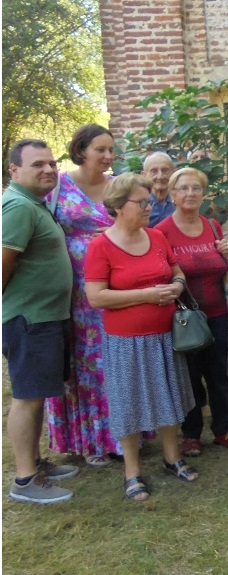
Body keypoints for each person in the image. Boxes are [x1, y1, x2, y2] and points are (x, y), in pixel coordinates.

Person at [85, 173, 199, 501]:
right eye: (143, 201)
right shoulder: (101, 246)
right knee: (128, 404)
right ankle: (132, 472)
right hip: (126, 341)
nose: (151, 206)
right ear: (120, 207)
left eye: (150, 201)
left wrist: (177, 286)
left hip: (165, 336)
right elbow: (96, 297)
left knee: (169, 397)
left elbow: (177, 271)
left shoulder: (156, 237)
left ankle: (172, 457)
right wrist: (147, 295)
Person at [3, 138, 79, 504]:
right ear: (14, 170)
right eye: (38, 165)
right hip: (29, 319)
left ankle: (35, 462)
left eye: (51, 163)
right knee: (26, 398)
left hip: (47, 316)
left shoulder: (36, 204)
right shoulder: (17, 206)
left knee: (36, 396)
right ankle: (24, 480)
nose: (49, 169)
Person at [156, 167, 228, 456]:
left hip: (217, 313)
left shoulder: (212, 227)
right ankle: (191, 433)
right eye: (183, 188)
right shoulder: (162, 232)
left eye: (196, 188)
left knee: (218, 374)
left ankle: (223, 429)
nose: (191, 193)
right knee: (190, 375)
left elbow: (223, 267)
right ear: (172, 194)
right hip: (183, 316)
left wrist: (226, 253)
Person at [45, 124, 118, 467]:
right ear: (81, 150)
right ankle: (89, 440)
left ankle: (120, 435)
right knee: (82, 365)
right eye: (100, 149)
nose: (107, 157)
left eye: (111, 151)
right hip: (73, 292)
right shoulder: (58, 186)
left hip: (114, 287)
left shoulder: (118, 187)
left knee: (114, 361)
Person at [143, 152, 176, 226]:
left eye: (165, 170)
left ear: (173, 173)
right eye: (154, 171)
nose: (160, 176)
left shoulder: (180, 202)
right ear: (144, 175)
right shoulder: (140, 204)